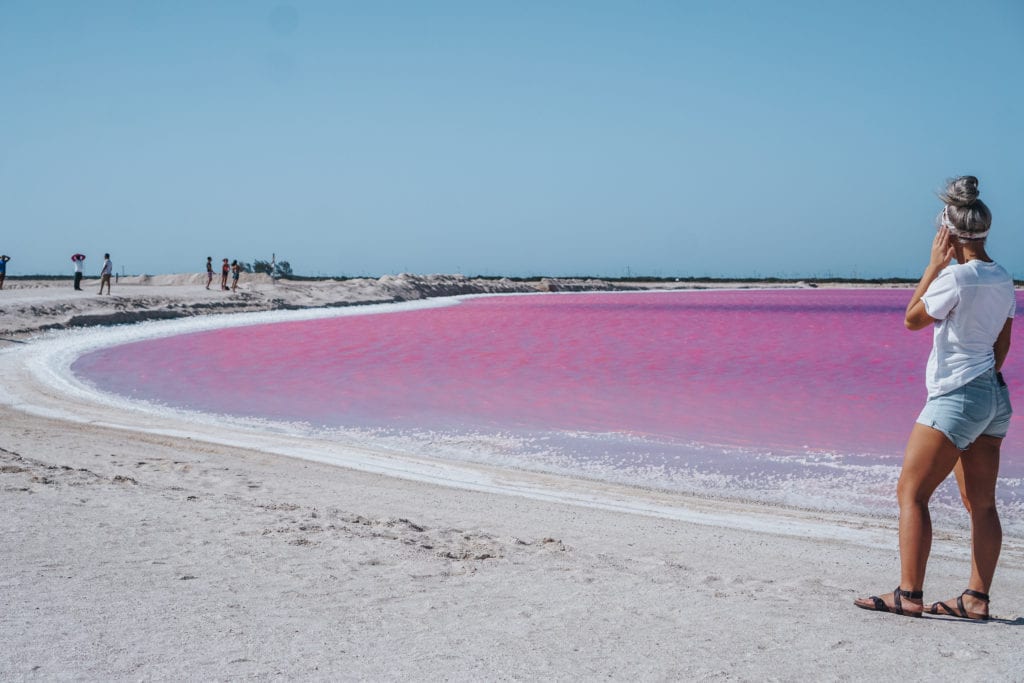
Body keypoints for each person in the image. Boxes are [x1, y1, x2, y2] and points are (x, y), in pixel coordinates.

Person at [855, 176, 1015, 620]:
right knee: (981, 502)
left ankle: (909, 595)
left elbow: (911, 319)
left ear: (947, 232)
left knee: (911, 492)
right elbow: (1002, 345)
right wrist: (982, 385)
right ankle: (975, 600)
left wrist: (932, 266)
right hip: (993, 397)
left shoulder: (955, 279)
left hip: (956, 396)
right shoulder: (1004, 278)